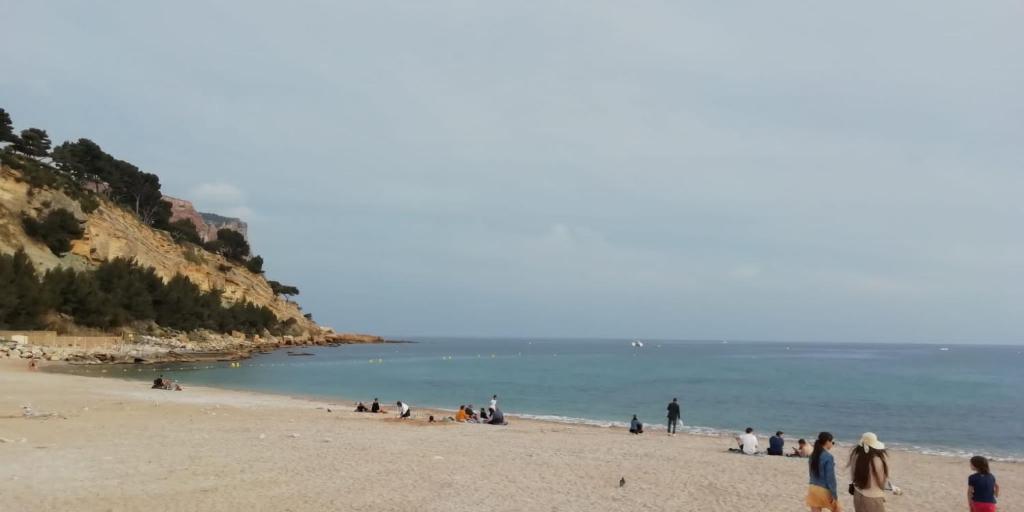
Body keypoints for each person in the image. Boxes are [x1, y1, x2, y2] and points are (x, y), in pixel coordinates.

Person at [849, 432, 890, 512]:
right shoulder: (878, 460)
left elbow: (853, 476)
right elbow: (881, 483)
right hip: (873, 497)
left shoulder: (856, 456)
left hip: (858, 494)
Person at [806, 431, 840, 512]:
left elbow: (811, 473)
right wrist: (834, 494)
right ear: (827, 441)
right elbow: (830, 478)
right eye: (832, 442)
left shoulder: (812, 455)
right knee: (837, 509)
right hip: (823, 489)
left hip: (812, 488)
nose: (832, 444)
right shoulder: (828, 457)